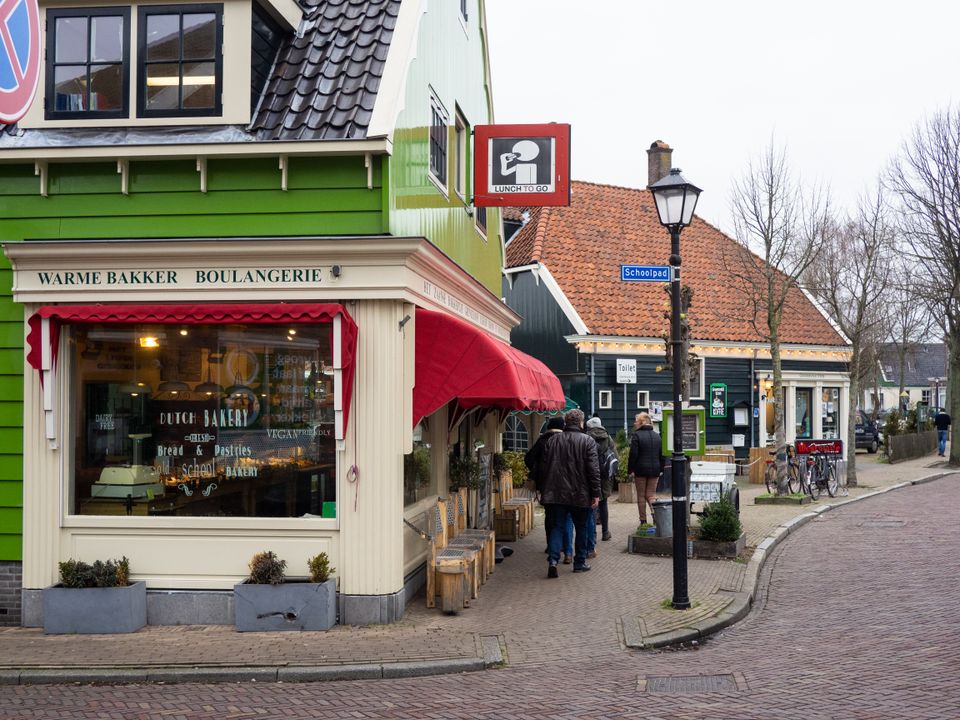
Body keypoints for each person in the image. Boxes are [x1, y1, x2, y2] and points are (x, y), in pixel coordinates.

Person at [539, 409, 600, 577]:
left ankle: (553, 560)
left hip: (556, 493)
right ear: (580, 423)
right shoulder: (588, 441)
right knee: (581, 528)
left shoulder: (553, 440)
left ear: (566, 422)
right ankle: (579, 563)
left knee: (557, 527)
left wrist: (544, 489)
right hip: (580, 494)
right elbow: (593, 471)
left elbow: (544, 468)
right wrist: (596, 494)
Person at [526, 416, 574, 564]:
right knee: (566, 518)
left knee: (550, 517)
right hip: (566, 486)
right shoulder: (568, 440)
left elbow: (528, 458)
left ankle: (551, 546)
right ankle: (567, 551)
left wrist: (537, 472)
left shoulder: (543, 441)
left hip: (546, 485)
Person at [628, 412, 663, 525]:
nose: (635, 423)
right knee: (651, 495)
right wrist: (661, 468)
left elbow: (633, 454)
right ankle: (657, 518)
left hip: (640, 470)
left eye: (636, 421)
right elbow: (661, 454)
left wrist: (631, 469)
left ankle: (643, 522)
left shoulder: (637, 435)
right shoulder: (657, 436)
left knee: (641, 495)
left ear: (642, 422)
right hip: (655, 470)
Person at [585, 416, 614, 543]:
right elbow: (615, 456)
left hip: (591, 474)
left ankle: (593, 535)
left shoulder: (586, 437)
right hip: (605, 475)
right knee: (604, 503)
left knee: (593, 503)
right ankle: (606, 532)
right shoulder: (608, 437)